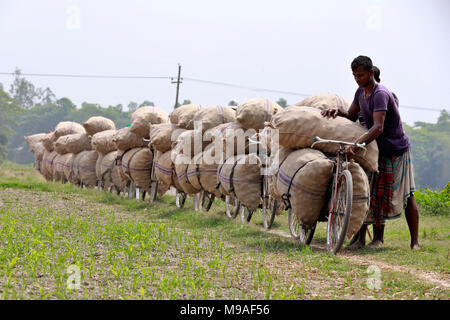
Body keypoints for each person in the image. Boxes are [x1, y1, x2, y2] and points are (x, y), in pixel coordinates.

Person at [321, 55, 420, 250]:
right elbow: (351, 114)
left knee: (407, 195)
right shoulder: (360, 92)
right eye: (355, 75)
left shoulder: (380, 94)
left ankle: (414, 242)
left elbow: (378, 127)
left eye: (361, 75)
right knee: (371, 192)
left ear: (371, 73)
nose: (358, 79)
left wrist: (358, 145)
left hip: (395, 149)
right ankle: (366, 239)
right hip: (376, 148)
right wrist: (337, 112)